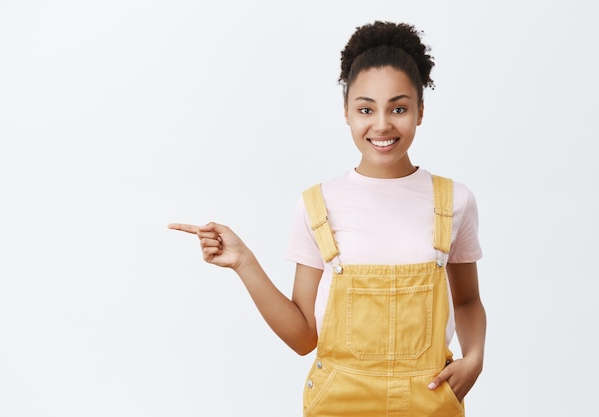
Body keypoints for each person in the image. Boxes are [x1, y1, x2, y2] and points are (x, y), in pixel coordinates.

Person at [169, 21, 486, 417]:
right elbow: (304, 338)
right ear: (347, 113)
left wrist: (474, 358)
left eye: (399, 108)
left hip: (429, 401)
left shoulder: (454, 200)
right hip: (338, 404)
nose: (382, 124)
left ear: (420, 111)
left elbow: (468, 300)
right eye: (366, 109)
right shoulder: (318, 205)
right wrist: (243, 262)